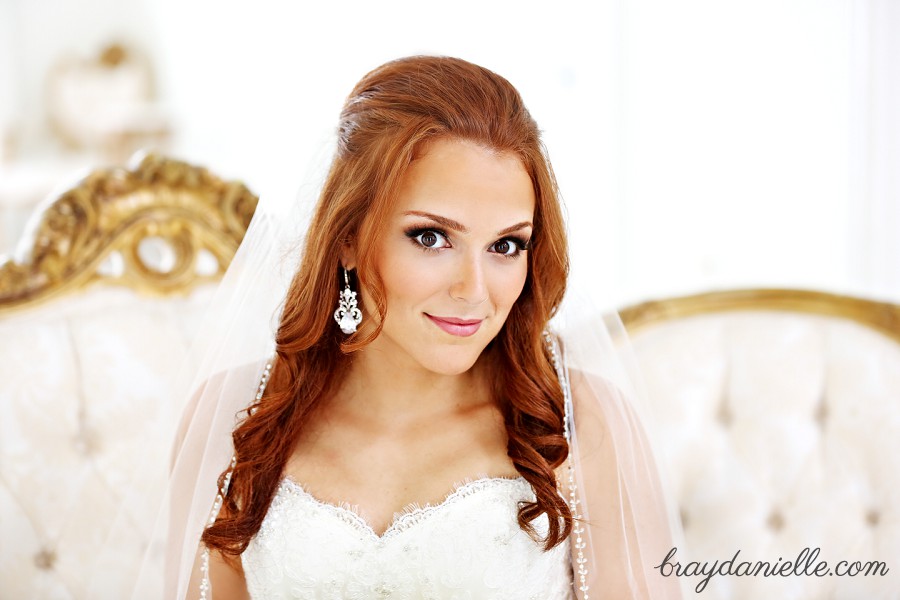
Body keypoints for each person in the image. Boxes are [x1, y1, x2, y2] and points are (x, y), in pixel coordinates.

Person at [129, 55, 682, 600]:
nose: (474, 290)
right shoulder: (234, 419)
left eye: (506, 245)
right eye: (431, 237)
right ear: (347, 236)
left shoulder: (580, 426)